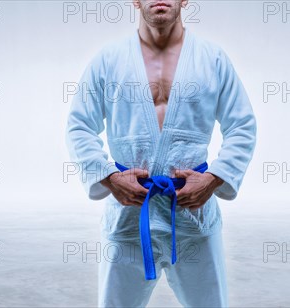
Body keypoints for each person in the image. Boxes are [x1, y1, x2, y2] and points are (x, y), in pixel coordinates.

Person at [65, 1, 257, 306]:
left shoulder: (213, 59)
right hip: (130, 215)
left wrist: (214, 179)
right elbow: (79, 126)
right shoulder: (108, 60)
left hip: (192, 214)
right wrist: (109, 178)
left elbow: (242, 125)